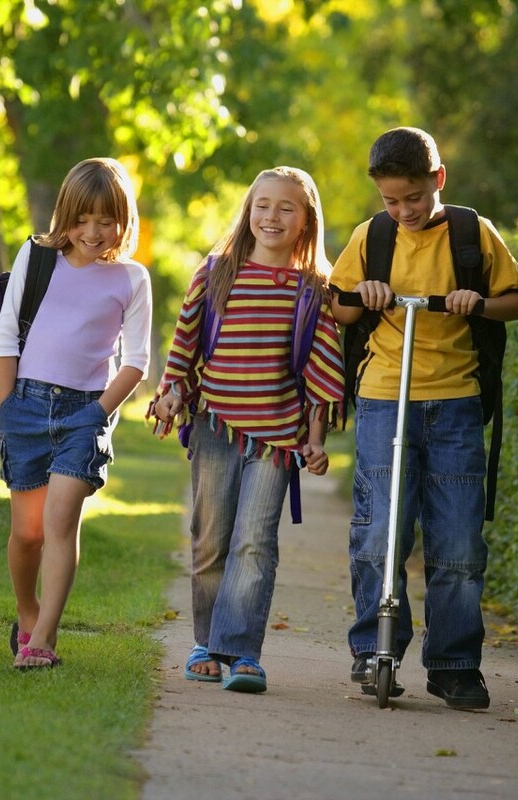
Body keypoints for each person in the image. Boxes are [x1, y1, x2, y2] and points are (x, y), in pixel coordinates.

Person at [330, 127, 518, 709]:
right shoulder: (372, 237)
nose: (403, 211)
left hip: (455, 403)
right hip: (383, 398)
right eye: (391, 201)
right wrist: (365, 292)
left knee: (459, 541)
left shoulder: (474, 233)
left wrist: (479, 302)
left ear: (437, 180)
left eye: (412, 198)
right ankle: (374, 649)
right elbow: (340, 307)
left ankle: (454, 665)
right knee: (378, 533)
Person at [148, 167, 345, 693]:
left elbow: (321, 371)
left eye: (286, 208)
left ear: (306, 222)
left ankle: (241, 652)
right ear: (248, 211)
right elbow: (185, 344)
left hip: (277, 438)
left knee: (255, 544)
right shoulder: (217, 272)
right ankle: (206, 643)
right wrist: (171, 395)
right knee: (211, 539)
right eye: (263, 205)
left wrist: (316, 438)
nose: (272, 216)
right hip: (215, 425)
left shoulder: (312, 290)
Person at [0, 157, 152, 670]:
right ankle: (26, 612)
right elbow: (4, 340)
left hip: (87, 412)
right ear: (65, 213)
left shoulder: (132, 278)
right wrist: (6, 410)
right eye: (82, 219)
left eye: (105, 220)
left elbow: (137, 362)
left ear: (122, 220)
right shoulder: (36, 257)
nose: (92, 231)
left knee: (61, 521)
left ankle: (42, 639)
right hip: (26, 406)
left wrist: (98, 415)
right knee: (28, 534)